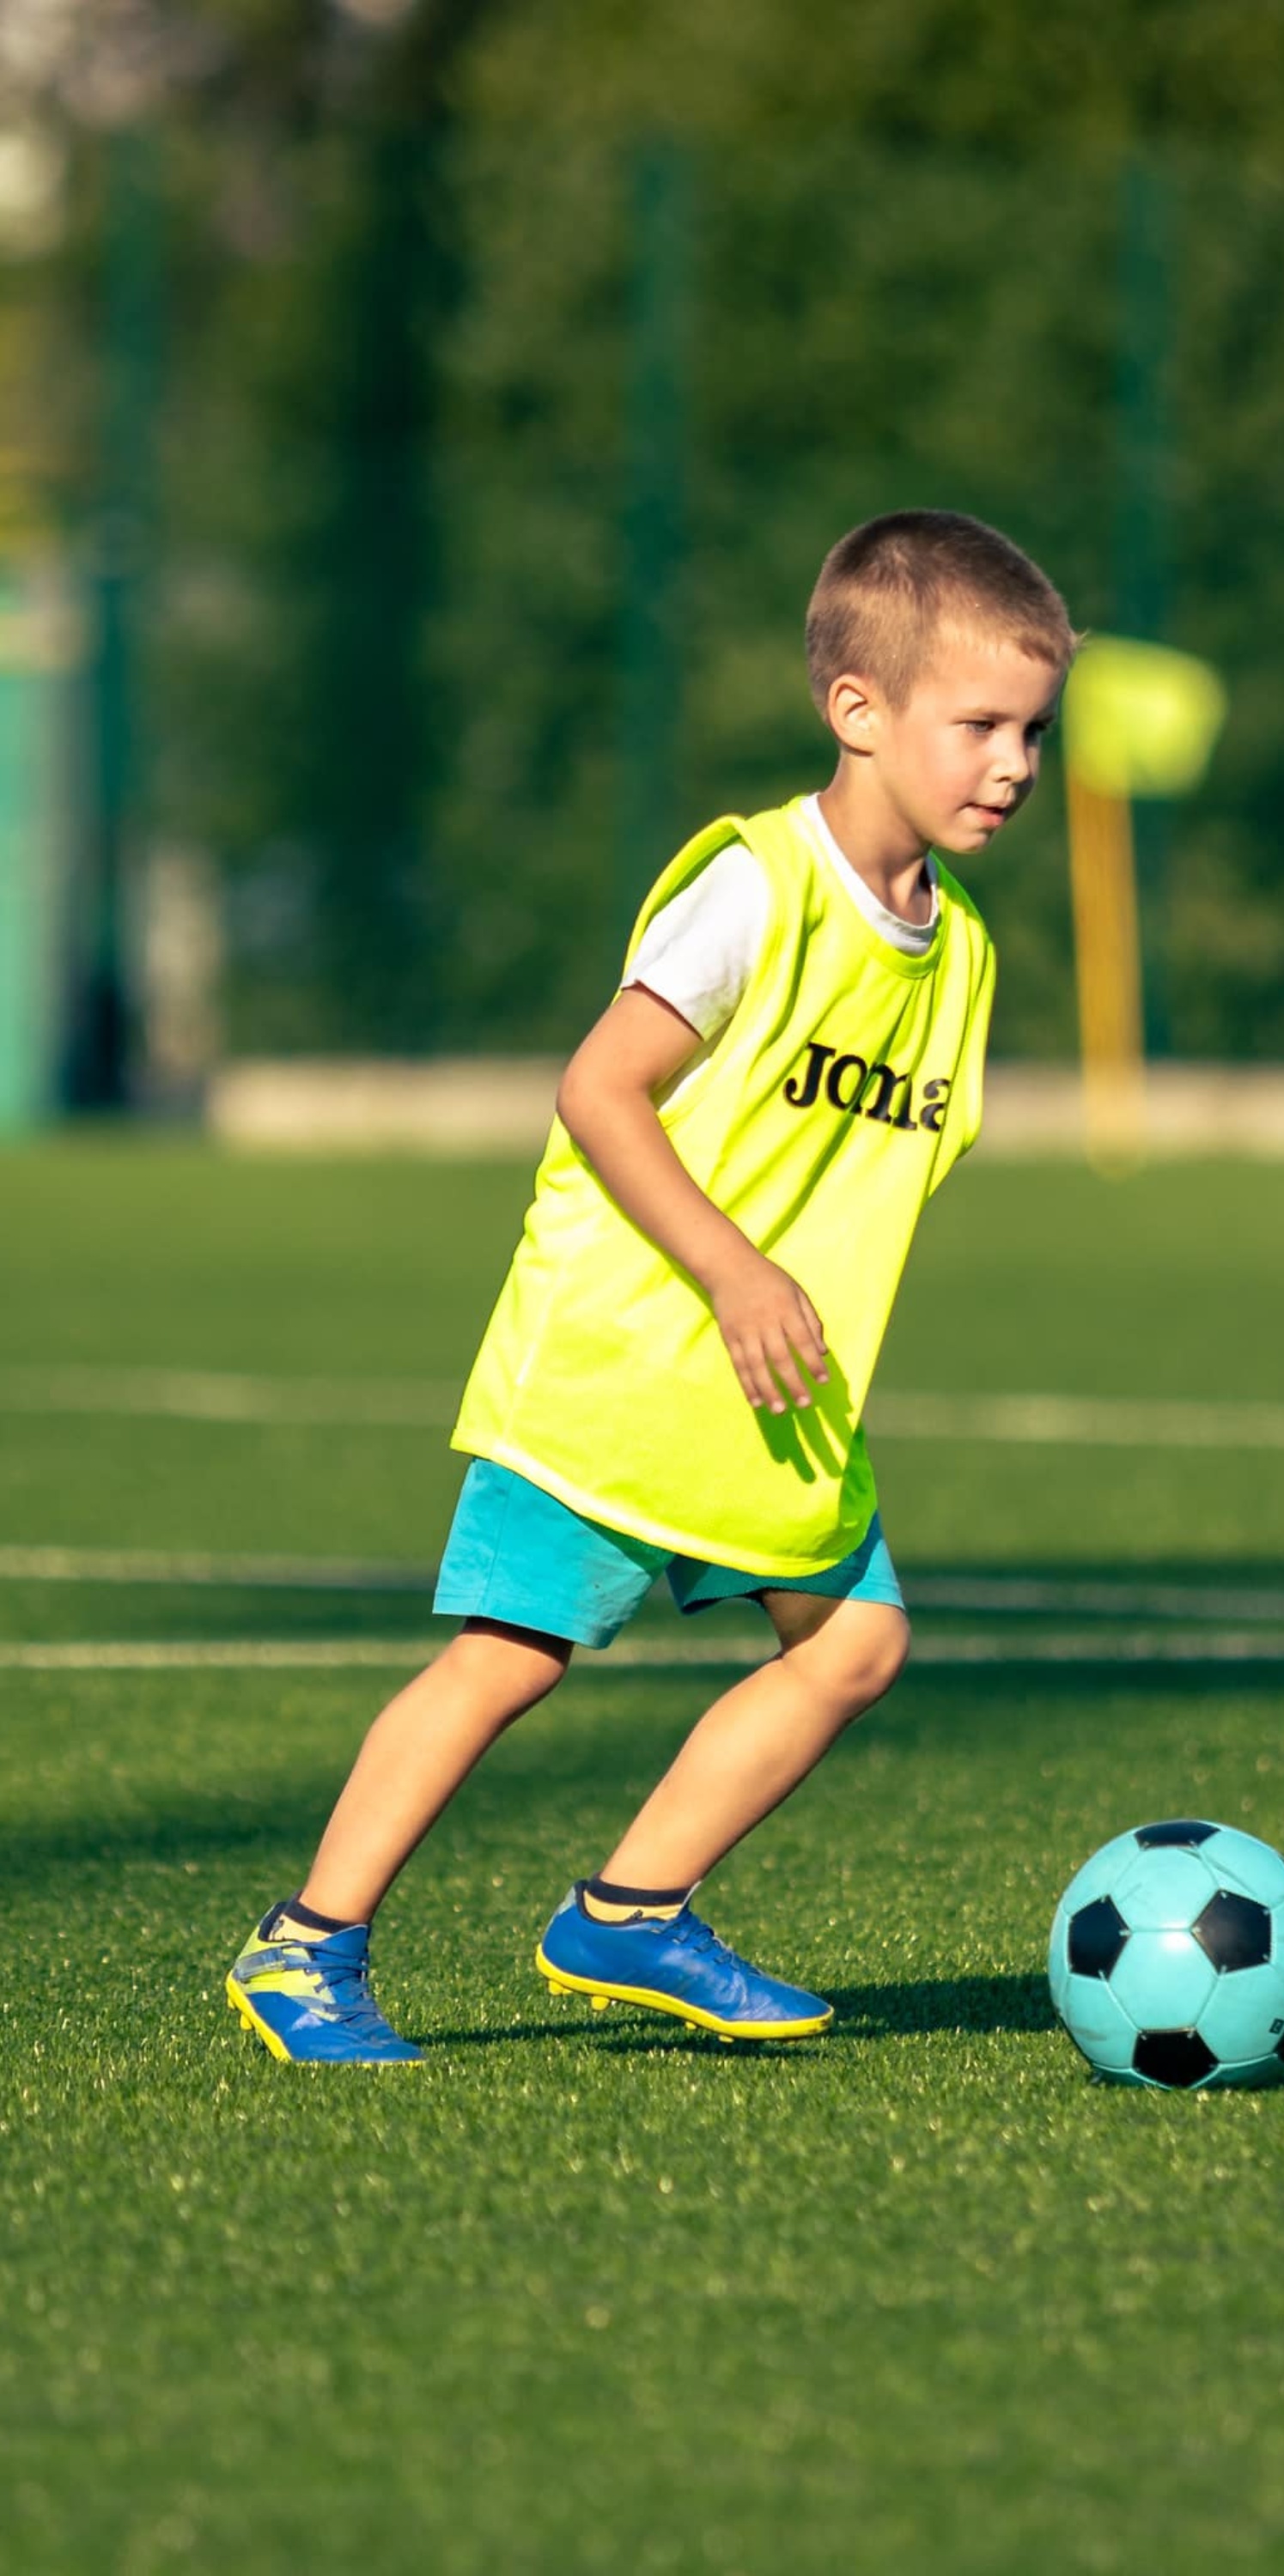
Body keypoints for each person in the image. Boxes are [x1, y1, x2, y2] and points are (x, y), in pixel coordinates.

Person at [226, 512, 1067, 2063]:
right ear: (858, 711)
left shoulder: (964, 957)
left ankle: (630, 1911)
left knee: (856, 1645)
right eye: (980, 726)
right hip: (624, 1364)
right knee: (507, 1659)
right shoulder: (756, 890)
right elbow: (600, 1088)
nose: (1014, 764)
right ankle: (306, 1948)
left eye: (1031, 730)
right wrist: (736, 1269)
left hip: (771, 1401)